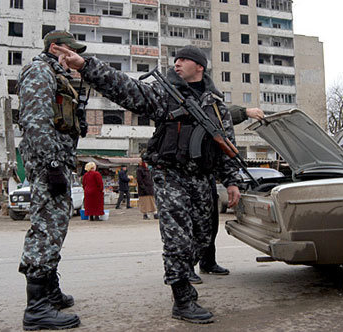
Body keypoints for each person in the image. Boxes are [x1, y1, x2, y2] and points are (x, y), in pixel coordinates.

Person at [56, 44, 242, 324]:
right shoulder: (164, 94)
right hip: (171, 175)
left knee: (203, 237)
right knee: (176, 237)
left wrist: (231, 182)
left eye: (184, 60)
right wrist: (86, 65)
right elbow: (126, 88)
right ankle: (182, 297)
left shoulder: (215, 103)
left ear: (200, 67)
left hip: (202, 177)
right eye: (175, 59)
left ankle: (186, 274)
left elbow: (227, 143)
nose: (177, 63)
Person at [16, 30, 86, 330]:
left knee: (56, 226)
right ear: (56, 48)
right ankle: (37, 308)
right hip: (49, 162)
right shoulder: (39, 70)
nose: (74, 57)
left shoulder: (58, 75)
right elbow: (35, 120)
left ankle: (50, 291)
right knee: (46, 228)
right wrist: (53, 163)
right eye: (71, 51)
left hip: (55, 160)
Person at [195, 106, 265, 280]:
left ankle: (208, 262)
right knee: (186, 225)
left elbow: (218, 115)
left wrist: (244, 113)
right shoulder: (175, 95)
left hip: (206, 173)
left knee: (210, 222)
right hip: (179, 174)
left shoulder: (209, 99)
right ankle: (184, 269)